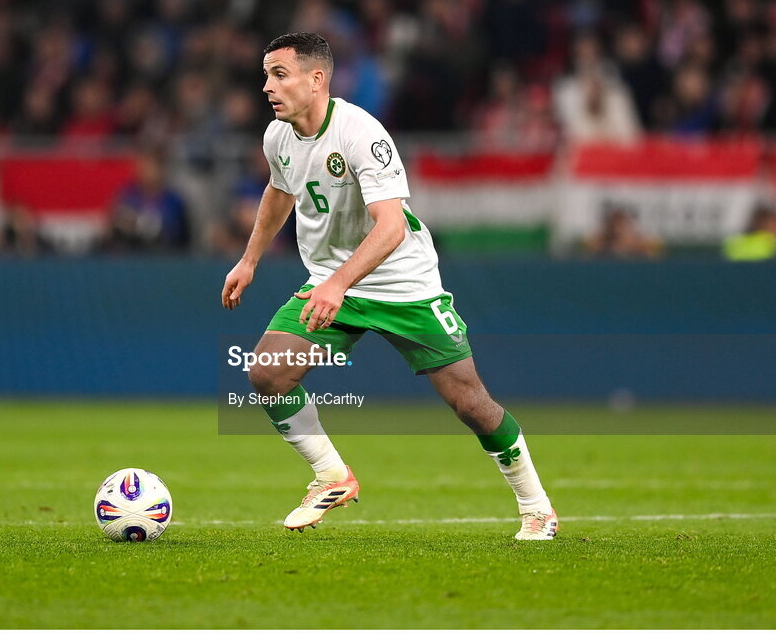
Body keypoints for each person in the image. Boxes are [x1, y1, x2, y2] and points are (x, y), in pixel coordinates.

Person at [221, 33, 557, 540]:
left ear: (317, 80)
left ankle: (536, 507)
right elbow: (279, 191)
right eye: (266, 75)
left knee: (471, 404)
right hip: (333, 281)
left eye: (279, 74)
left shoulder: (362, 133)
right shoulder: (278, 136)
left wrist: (336, 283)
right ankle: (331, 476)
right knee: (268, 373)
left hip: (404, 283)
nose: (268, 86)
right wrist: (249, 260)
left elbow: (391, 226)